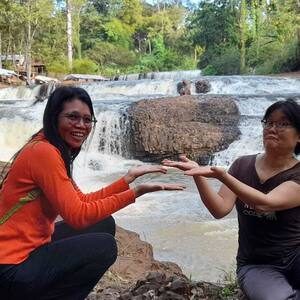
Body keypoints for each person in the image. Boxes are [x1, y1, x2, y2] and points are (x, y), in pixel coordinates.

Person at [0, 86, 185, 300]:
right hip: (10, 267)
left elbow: (82, 201)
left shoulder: (51, 148)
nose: (81, 125)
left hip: (27, 251)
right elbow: (78, 216)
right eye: (73, 117)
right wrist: (135, 193)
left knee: (104, 223)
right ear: (54, 117)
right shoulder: (43, 152)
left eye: (87, 120)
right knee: (104, 247)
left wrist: (126, 180)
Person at [163, 99, 300, 300]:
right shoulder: (242, 165)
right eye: (268, 122)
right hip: (257, 264)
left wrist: (223, 176)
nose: (273, 128)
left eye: (283, 124)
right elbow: (220, 209)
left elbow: (265, 203)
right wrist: (198, 174)